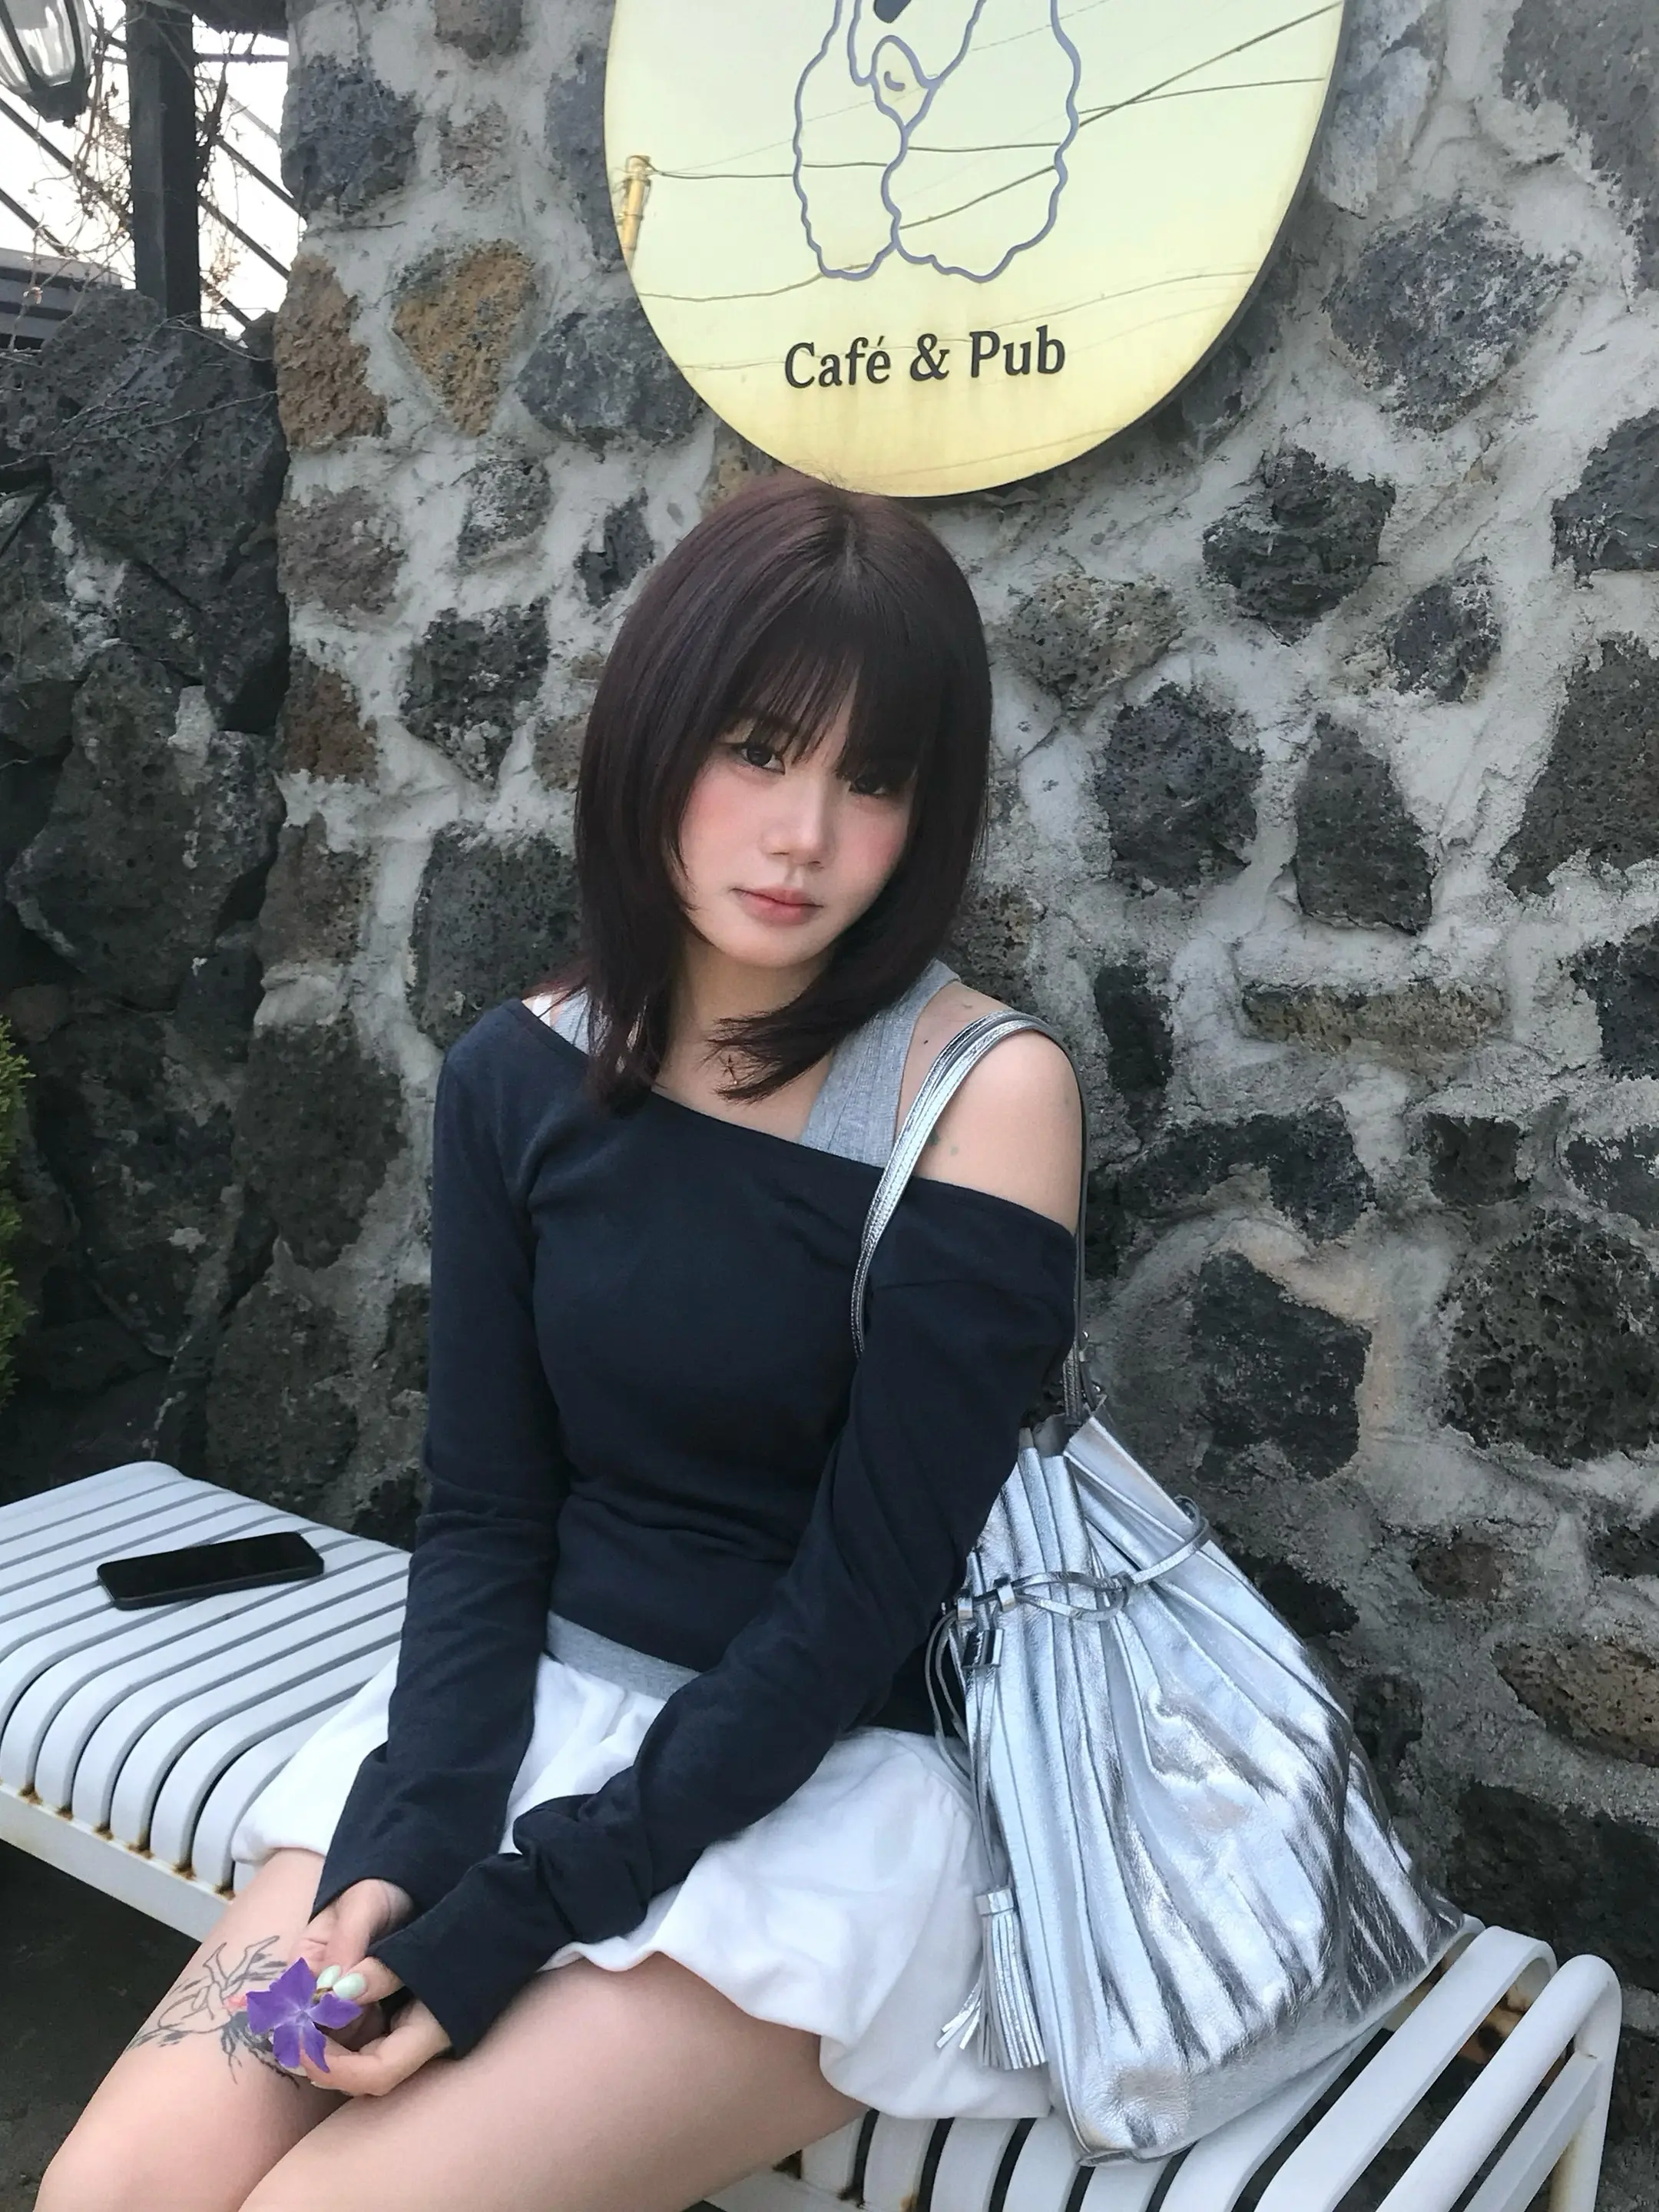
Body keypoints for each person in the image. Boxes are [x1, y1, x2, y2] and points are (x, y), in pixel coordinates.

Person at [39, 470, 1083, 2212]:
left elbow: (862, 1609)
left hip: (808, 1804)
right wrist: (411, 1851)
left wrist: (518, 1911)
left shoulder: (980, 1099)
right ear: (654, 737)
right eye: (758, 749)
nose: (803, 835)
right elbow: (483, 1516)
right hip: (508, 1725)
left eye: (873, 779)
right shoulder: (518, 1075)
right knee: (118, 2194)